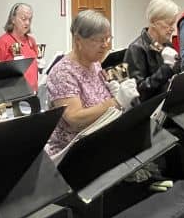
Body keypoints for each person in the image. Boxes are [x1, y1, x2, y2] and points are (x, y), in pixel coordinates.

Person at [45, 10, 139, 157]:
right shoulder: (62, 73)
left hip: (99, 143)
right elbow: (75, 119)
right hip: (73, 153)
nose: (106, 45)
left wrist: (115, 92)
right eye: (100, 40)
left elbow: (99, 101)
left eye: (108, 39)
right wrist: (116, 101)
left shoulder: (94, 64)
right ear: (78, 40)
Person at [124, 0, 181, 100]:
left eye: (173, 23)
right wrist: (166, 69)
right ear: (154, 22)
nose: (173, 28)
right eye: (169, 24)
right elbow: (138, 92)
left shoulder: (167, 44)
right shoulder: (136, 49)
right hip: (149, 110)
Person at [0, 3, 40, 91]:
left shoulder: (31, 41)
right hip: (12, 96)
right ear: (13, 19)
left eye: (30, 19)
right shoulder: (2, 42)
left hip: (32, 94)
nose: (27, 23)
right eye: (23, 19)